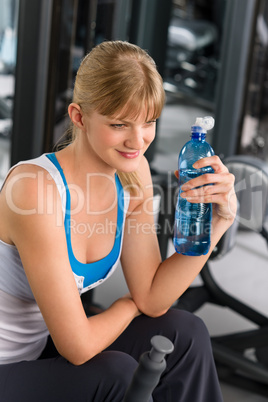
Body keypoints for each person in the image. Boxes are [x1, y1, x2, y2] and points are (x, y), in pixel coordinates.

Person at [0, 40, 237, 401]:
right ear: (79, 116)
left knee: (184, 332)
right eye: (119, 124)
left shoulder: (133, 172)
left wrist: (218, 221)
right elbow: (78, 347)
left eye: (149, 123)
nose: (137, 140)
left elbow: (154, 298)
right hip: (7, 367)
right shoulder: (35, 190)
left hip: (39, 348)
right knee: (119, 375)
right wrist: (127, 304)